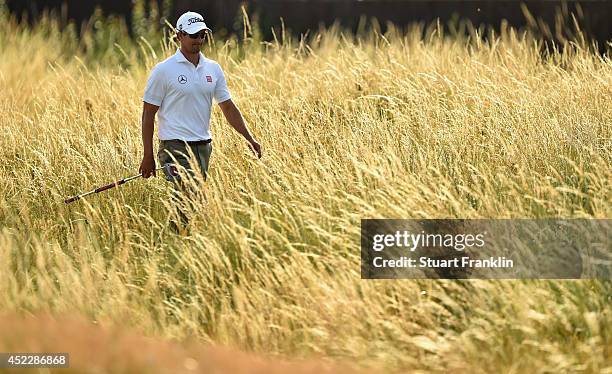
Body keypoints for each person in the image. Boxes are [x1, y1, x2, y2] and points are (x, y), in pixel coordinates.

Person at [138, 11, 261, 227]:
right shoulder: (163, 71)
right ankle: (177, 239)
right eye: (193, 35)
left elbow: (228, 107)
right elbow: (148, 113)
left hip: (203, 147)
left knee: (191, 201)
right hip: (174, 147)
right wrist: (148, 155)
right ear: (179, 36)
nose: (199, 40)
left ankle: (176, 241)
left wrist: (249, 138)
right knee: (189, 194)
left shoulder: (213, 69)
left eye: (202, 35)